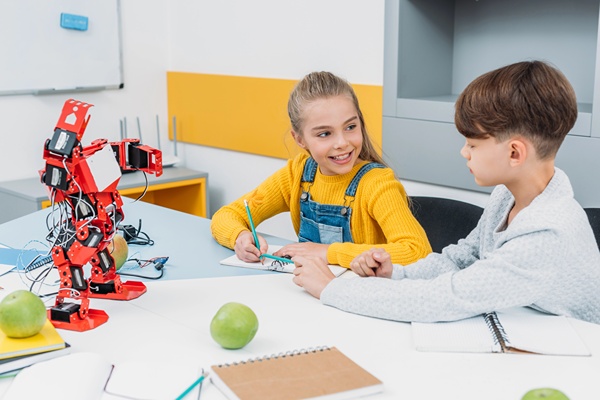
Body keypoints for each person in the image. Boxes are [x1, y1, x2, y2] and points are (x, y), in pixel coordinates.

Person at [291, 61, 600, 324]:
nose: (464, 152)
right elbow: (460, 259)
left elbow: (449, 297)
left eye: (473, 144)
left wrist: (332, 289)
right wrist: (396, 274)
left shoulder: (547, 234)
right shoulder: (508, 197)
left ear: (515, 153)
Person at [211, 71, 431, 269]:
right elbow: (228, 215)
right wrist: (239, 237)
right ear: (299, 139)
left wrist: (328, 252)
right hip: (310, 294)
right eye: (325, 134)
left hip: (361, 300)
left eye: (350, 127)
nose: (342, 142)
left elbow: (418, 252)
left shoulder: (377, 184)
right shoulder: (297, 175)